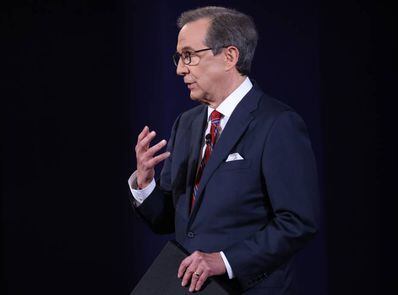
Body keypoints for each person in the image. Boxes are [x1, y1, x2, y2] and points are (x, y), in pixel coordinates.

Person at [128, 6, 319, 294]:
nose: (180, 69)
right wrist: (144, 183)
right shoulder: (187, 124)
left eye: (189, 56)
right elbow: (169, 219)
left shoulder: (277, 124)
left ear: (229, 56)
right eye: (179, 57)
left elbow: (297, 222)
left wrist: (226, 260)